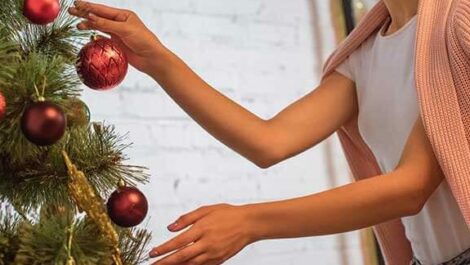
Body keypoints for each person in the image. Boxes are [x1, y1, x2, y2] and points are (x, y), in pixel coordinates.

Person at [69, 0, 470, 264]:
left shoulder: (459, 24)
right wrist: (156, 59)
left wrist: (251, 223)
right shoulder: (364, 57)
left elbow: (412, 185)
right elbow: (268, 141)